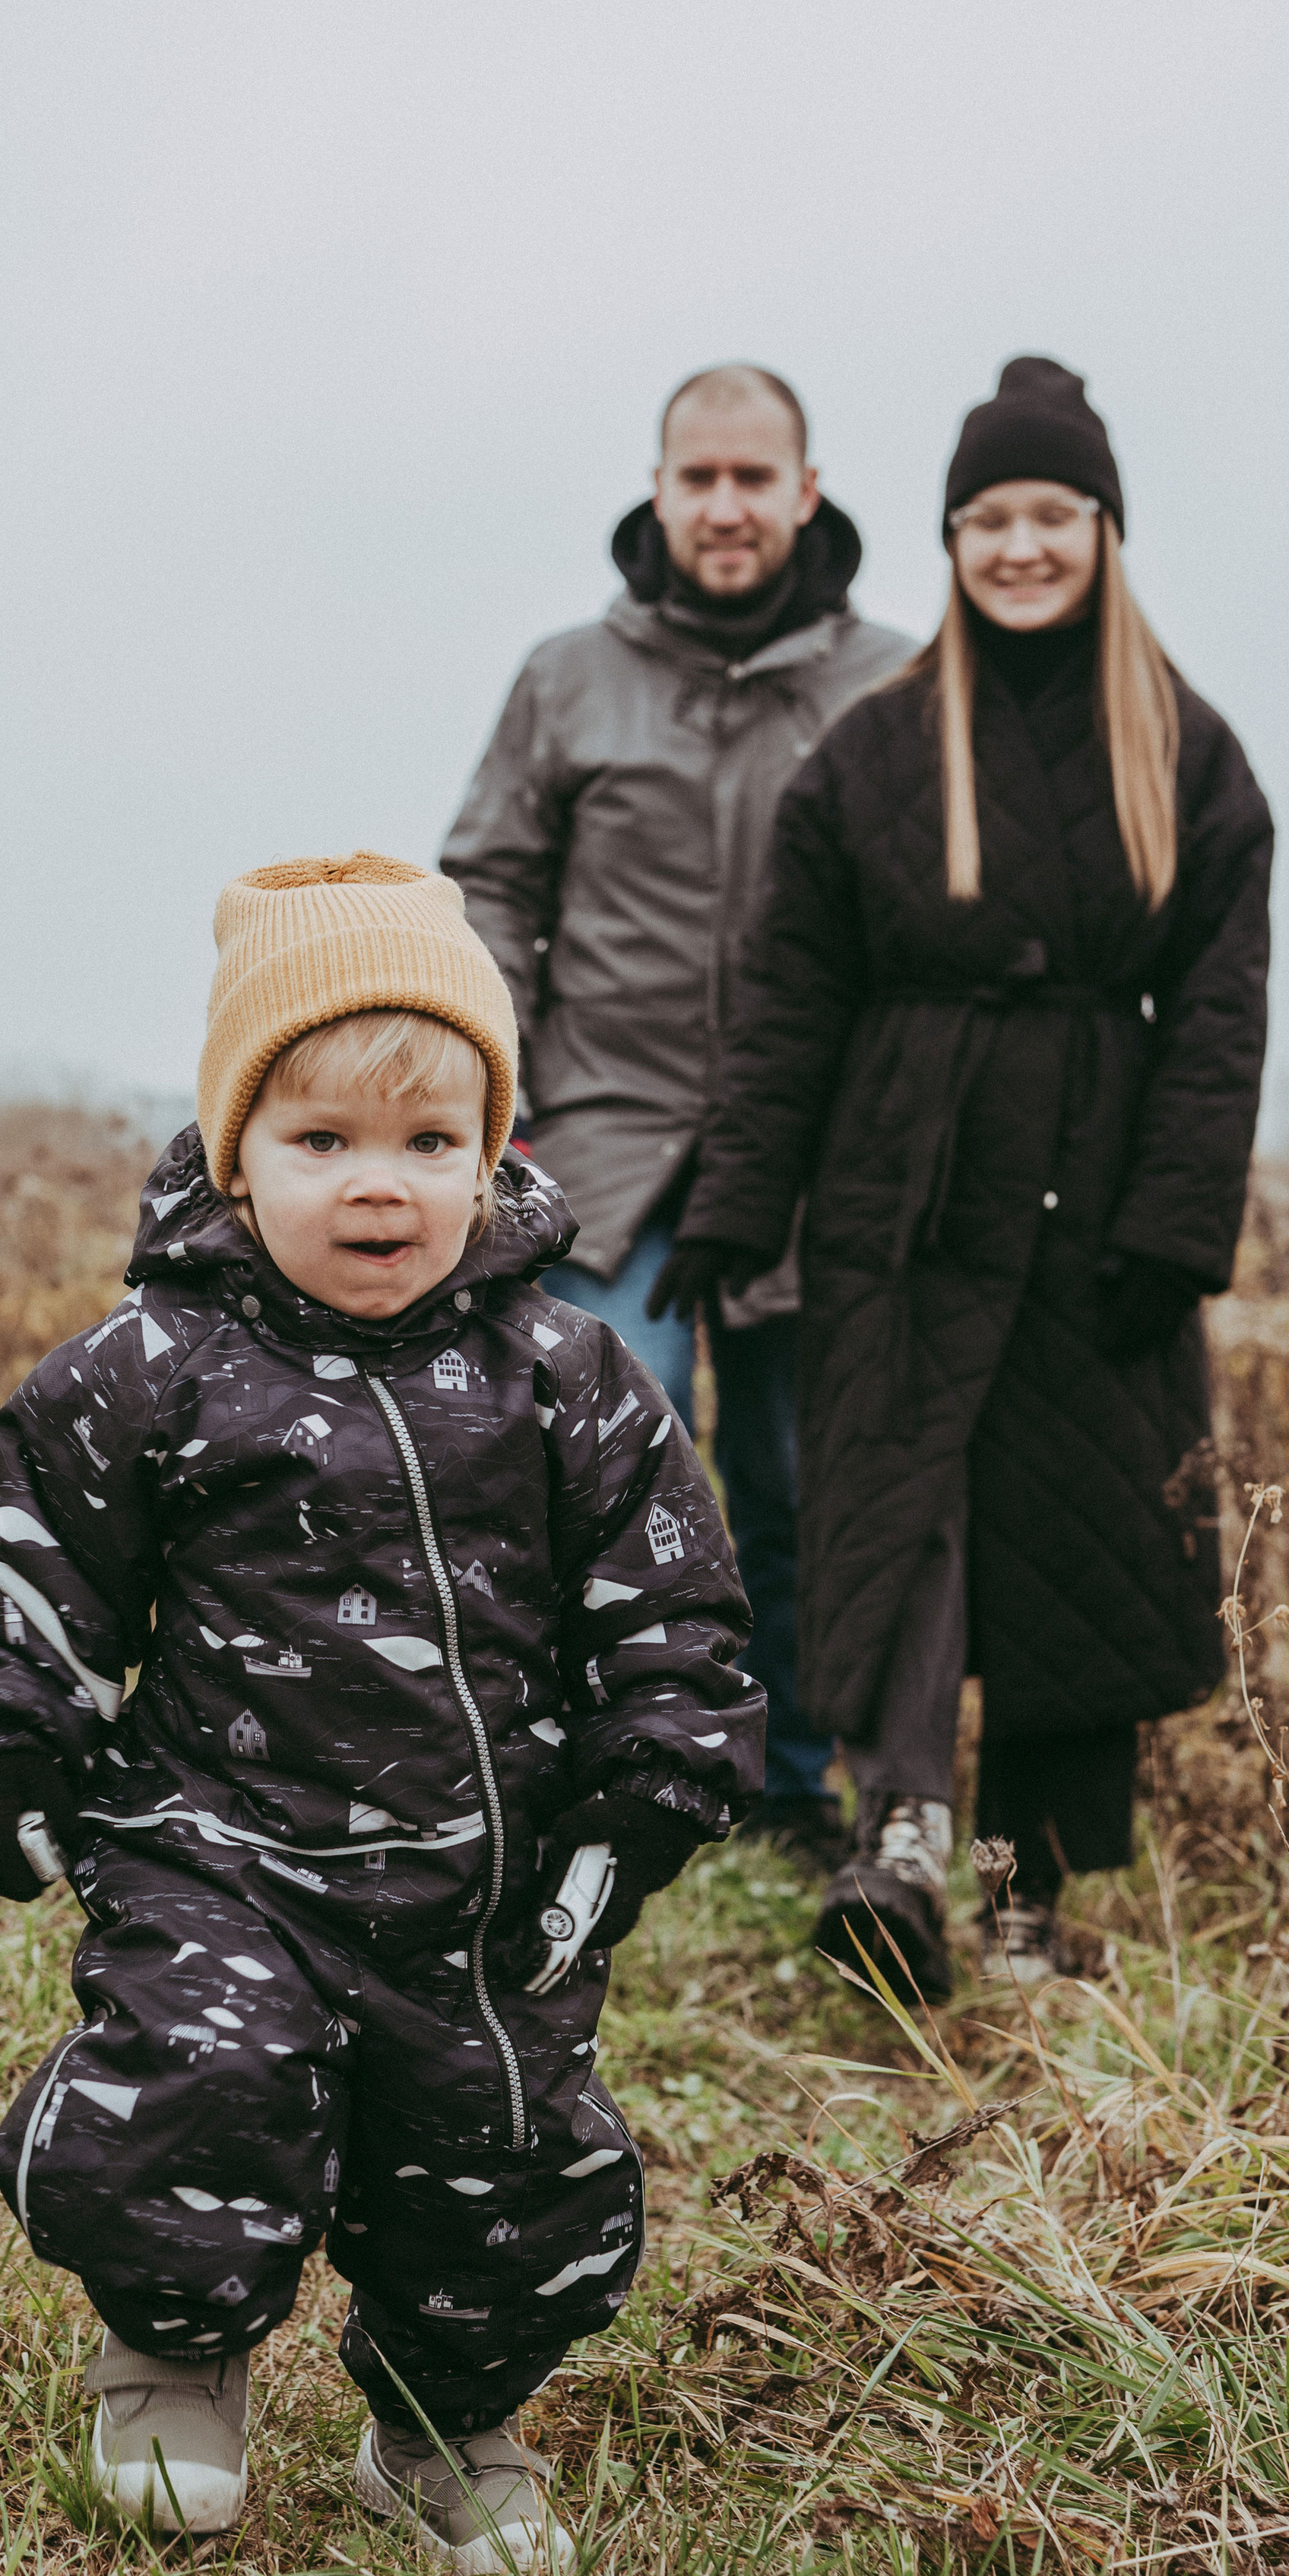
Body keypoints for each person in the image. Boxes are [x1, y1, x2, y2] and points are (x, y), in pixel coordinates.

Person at [0, 853, 764, 2569]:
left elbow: (674, 1610)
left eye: (426, 1144)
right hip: (220, 1852)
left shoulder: (569, 1379)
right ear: (238, 1152)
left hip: (486, 1881)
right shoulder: (152, 1369)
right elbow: (44, 1576)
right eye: (322, 1145)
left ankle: (446, 2429)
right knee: (203, 2075)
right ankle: (170, 2353)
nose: (379, 1188)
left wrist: (644, 1797)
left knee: (504, 2170)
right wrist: (6, 1734)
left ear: (491, 1153)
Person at [660, 358, 1273, 1998]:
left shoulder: (1185, 753)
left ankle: (1025, 1898)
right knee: (897, 1503)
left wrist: (1175, 1226)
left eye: (1049, 513)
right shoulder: (867, 758)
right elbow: (792, 998)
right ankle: (902, 1836)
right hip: (900, 1192)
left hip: (1098, 1203)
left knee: (1071, 1532)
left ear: (1101, 529)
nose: (1018, 546)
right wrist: (736, 1202)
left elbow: (1219, 1009)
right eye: (987, 516)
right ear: (947, 536)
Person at [442, 366, 911, 1864]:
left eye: (750, 479)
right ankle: (607, 1773)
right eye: (695, 478)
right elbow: (491, 887)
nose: (723, 506)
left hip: (810, 1162)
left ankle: (783, 1785)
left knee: (789, 1485)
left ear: (804, 492)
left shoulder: (892, 684)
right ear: (657, 491)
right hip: (601, 1145)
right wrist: (489, 1096)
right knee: (606, 1466)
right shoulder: (563, 676)